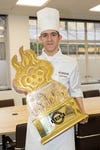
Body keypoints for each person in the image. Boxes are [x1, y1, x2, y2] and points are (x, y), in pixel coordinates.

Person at [25, 7, 86, 150]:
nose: (49, 39)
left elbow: (76, 91)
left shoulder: (71, 63)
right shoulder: (33, 63)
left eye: (53, 34)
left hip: (64, 123)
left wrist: (82, 112)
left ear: (60, 37)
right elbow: (24, 89)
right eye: (45, 35)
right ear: (40, 39)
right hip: (38, 124)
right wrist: (17, 85)